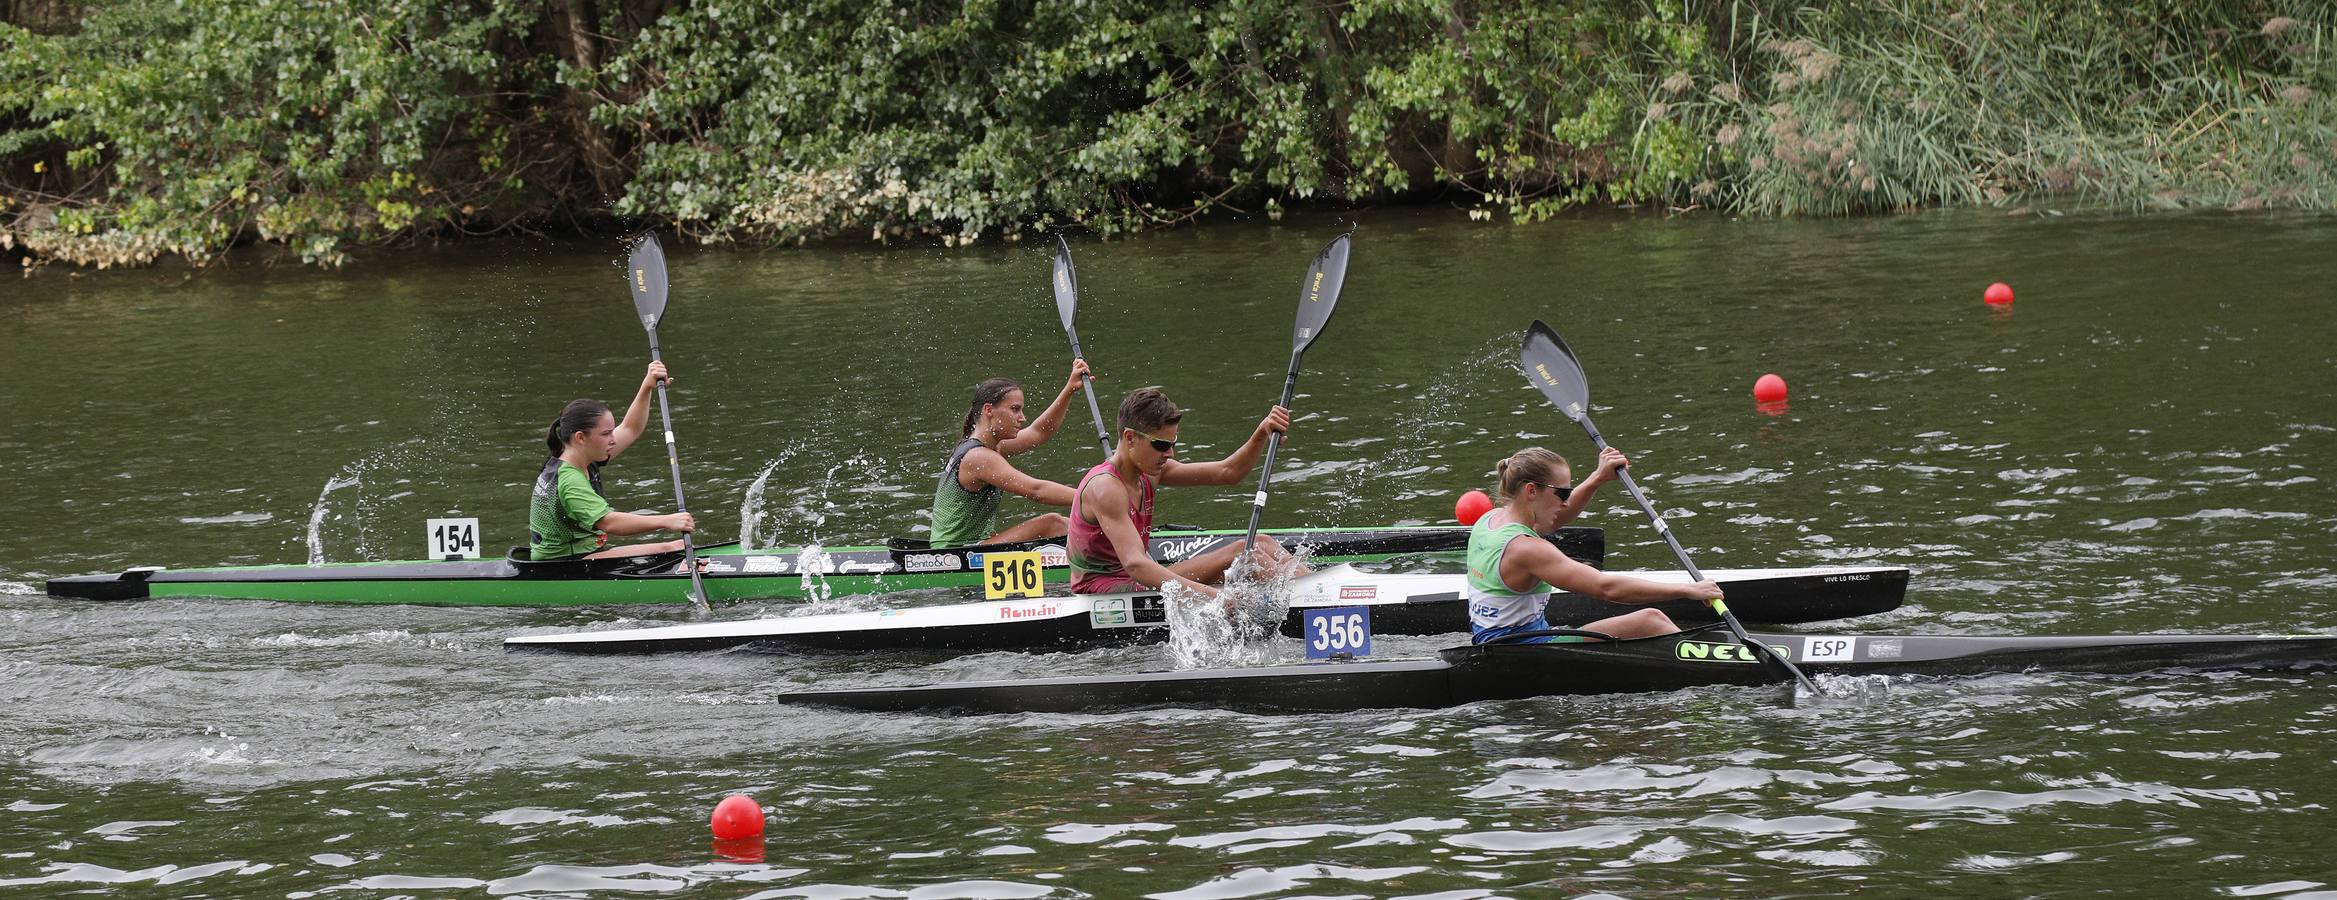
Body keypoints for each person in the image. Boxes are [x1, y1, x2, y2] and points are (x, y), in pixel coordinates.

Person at [1467, 446, 1721, 643]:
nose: (1566, 503)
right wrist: (1688, 590)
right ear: (1531, 491)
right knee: (1651, 620)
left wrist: (1598, 478)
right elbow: (1605, 588)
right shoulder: (1526, 549)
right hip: (1521, 651)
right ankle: (1713, 673)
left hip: (1493, 641)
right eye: (1562, 493)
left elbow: (1553, 521)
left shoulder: (1490, 520)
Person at [1069, 386, 1298, 600]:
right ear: (1130, 438)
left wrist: (1260, 435)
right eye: (1161, 445)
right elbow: (1136, 564)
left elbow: (1228, 472)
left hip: (1140, 578)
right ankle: (1308, 600)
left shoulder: (1148, 471)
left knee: (1262, 543)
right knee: (1246, 555)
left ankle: (1318, 591)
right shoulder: (1105, 488)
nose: (1170, 454)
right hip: (1106, 591)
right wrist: (1214, 597)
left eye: (1173, 444)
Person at [528, 361, 697, 560]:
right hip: (562, 563)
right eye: (606, 434)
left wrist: (647, 385)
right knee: (668, 549)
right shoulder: (569, 480)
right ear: (581, 437)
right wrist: (667, 521)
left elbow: (630, 428)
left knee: (674, 547)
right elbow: (610, 523)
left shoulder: (580, 455)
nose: (613, 439)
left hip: (583, 553)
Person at [929, 360, 1092, 546]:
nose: (1022, 417)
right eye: (1015, 409)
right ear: (988, 410)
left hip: (974, 545)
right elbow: (1036, 491)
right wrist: (1092, 498)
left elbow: (1039, 432)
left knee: (1065, 525)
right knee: (1053, 523)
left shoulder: (992, 447)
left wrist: (1069, 389)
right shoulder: (979, 457)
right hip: (955, 554)